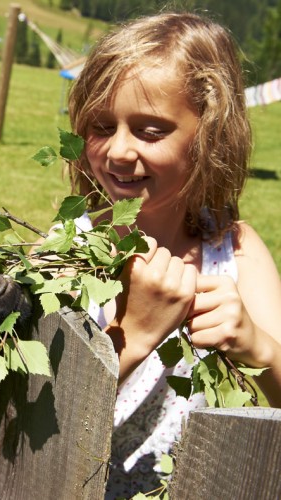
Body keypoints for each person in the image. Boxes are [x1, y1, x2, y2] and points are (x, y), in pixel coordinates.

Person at [66, 11, 281, 498]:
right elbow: (36, 414)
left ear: (209, 135)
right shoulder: (65, 257)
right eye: (102, 126)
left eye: (150, 130)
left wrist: (258, 345)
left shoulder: (236, 251)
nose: (118, 151)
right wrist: (134, 335)